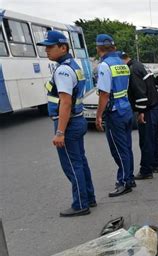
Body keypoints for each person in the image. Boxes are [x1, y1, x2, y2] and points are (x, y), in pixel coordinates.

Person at [37, 30, 96, 217]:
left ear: (63, 47)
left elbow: (66, 102)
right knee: (80, 161)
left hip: (68, 124)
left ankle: (80, 204)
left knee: (72, 164)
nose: (46, 50)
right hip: (78, 120)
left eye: (50, 47)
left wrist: (60, 132)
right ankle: (89, 198)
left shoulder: (62, 70)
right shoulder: (74, 65)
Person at [95, 34, 135, 197]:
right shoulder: (122, 63)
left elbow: (104, 94)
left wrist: (98, 116)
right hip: (126, 109)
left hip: (114, 113)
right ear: (113, 47)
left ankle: (125, 182)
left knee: (118, 150)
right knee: (126, 147)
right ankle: (129, 178)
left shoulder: (104, 66)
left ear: (99, 48)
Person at [120, 52, 158, 179]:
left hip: (148, 110)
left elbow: (140, 92)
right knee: (154, 138)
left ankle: (146, 170)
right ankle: (155, 164)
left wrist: (141, 112)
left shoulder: (133, 70)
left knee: (146, 140)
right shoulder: (140, 65)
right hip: (155, 106)